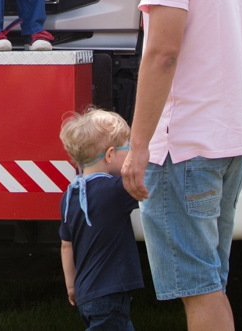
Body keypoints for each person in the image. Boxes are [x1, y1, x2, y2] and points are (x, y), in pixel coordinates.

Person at [121, 0, 242, 331]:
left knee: (198, 291)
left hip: (183, 148)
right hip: (229, 140)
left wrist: (138, 148)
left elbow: (162, 53)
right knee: (210, 283)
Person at [58, 109, 144, 331]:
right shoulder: (115, 191)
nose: (131, 154)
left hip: (86, 293)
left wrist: (71, 285)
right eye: (128, 148)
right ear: (109, 155)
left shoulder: (69, 196)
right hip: (110, 291)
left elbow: (66, 246)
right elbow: (149, 181)